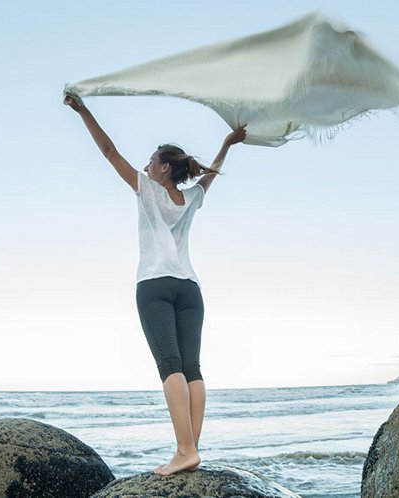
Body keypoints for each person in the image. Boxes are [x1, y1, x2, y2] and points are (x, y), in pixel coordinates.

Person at [65, 92, 246, 475]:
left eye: (151, 160)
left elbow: (109, 150)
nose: (145, 166)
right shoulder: (191, 197)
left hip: (155, 285)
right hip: (190, 290)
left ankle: (184, 450)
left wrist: (83, 110)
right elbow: (209, 174)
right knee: (192, 368)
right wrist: (226, 145)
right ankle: (191, 451)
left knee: (170, 366)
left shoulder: (147, 189)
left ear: (164, 168)